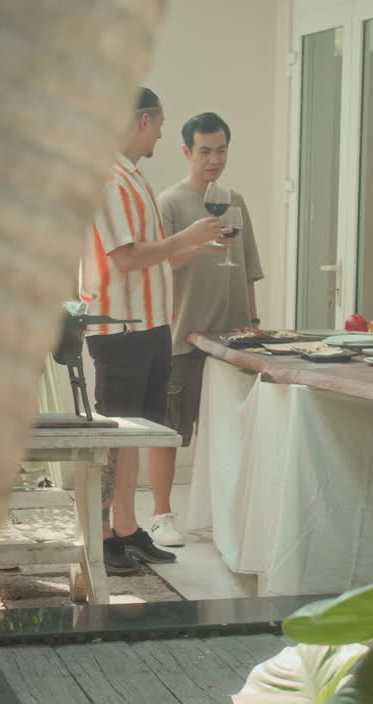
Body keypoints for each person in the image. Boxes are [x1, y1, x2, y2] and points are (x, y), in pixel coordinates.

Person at [79, 88, 230, 575]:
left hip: (149, 326)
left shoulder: (131, 177)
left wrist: (192, 248)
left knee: (135, 437)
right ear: (142, 120)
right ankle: (102, 538)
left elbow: (152, 259)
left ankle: (126, 529)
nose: (164, 133)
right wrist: (183, 238)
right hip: (120, 328)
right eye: (160, 124)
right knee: (113, 438)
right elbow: (125, 258)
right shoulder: (104, 176)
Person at [152, 112, 265, 547]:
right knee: (170, 430)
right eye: (205, 151)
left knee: (230, 431)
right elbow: (162, 266)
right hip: (185, 335)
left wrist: (254, 326)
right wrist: (198, 242)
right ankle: (161, 515)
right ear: (187, 152)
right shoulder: (171, 203)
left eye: (221, 150)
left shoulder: (234, 201)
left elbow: (249, 271)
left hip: (234, 337)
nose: (214, 159)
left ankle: (226, 513)